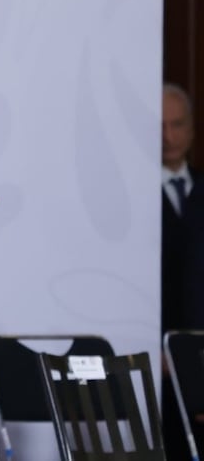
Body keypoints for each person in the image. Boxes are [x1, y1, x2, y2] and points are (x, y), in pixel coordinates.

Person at [161, 82, 204, 459]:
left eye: (177, 124)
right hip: (158, 358)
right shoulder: (133, 195)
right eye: (160, 126)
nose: (168, 137)